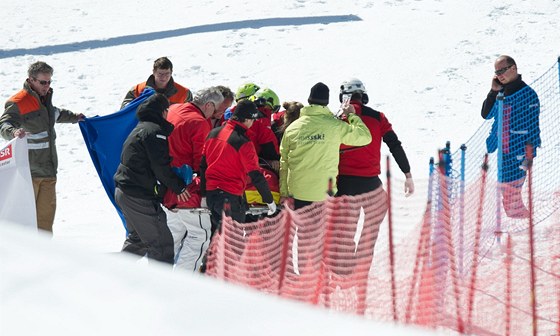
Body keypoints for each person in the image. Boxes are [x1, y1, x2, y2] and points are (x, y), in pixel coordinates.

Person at [0, 61, 84, 233]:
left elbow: (56, 114)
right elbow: (4, 124)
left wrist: (75, 117)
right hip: (28, 174)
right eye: (43, 82)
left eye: (49, 82)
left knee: (45, 225)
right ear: (31, 80)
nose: (47, 86)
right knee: (26, 225)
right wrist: (13, 132)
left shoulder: (46, 100)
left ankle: (45, 258)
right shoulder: (18, 102)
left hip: (48, 171)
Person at [114, 93, 190, 264]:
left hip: (126, 191)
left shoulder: (142, 127)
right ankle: (159, 289)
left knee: (138, 242)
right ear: (163, 112)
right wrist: (179, 187)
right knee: (162, 246)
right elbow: (160, 167)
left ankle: (105, 275)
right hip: (137, 195)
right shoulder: (154, 132)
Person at [279, 82, 372, 210]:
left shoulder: (292, 128)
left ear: (309, 100)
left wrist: (284, 193)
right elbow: (365, 137)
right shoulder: (336, 126)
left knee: (302, 229)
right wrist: (351, 115)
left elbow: (284, 162)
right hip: (324, 195)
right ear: (326, 102)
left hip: (297, 194)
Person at [162, 87, 225, 271]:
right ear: (208, 105)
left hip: (169, 188)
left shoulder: (173, 109)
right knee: (199, 236)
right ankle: (184, 282)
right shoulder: (199, 123)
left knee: (172, 235)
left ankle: (158, 278)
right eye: (214, 110)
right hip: (189, 190)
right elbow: (202, 162)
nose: (215, 115)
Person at [200, 99, 276, 239]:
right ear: (247, 119)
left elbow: (203, 165)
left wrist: (204, 194)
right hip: (230, 197)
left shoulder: (213, 133)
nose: (253, 123)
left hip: (212, 196)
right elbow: (256, 175)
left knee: (216, 241)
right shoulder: (243, 142)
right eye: (253, 120)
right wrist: (269, 200)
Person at [481, 55, 541, 218]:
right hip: (502, 149)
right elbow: (486, 115)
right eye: (497, 71)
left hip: (519, 150)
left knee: (512, 189)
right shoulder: (501, 92)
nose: (499, 74)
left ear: (513, 68)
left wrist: (530, 153)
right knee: (505, 189)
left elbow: (533, 126)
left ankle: (522, 223)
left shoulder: (527, 94)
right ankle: (518, 220)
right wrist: (493, 92)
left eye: (503, 70)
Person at [337, 78, 414, 197]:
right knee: (377, 211)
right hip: (371, 182)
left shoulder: (336, 120)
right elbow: (394, 145)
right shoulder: (378, 117)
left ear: (343, 97)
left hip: (343, 183)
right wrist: (407, 173)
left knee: (348, 216)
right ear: (363, 96)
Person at [120, 57, 192, 109]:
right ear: (154, 72)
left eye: (167, 73)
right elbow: (125, 110)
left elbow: (191, 115)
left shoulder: (184, 93)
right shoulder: (137, 90)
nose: (163, 77)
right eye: (160, 74)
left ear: (171, 72)